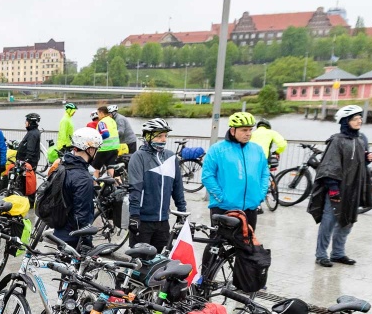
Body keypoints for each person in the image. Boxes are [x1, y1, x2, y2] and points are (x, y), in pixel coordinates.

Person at [308, 105, 372, 267]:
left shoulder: (361, 139)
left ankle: (338, 253)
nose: (359, 120)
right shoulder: (337, 140)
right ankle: (321, 254)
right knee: (328, 221)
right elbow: (330, 165)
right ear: (346, 121)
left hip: (353, 189)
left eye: (360, 118)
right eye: (355, 118)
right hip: (337, 189)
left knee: (348, 221)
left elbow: (357, 163)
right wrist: (333, 189)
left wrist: (367, 158)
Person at [200, 112, 269, 231]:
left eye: (250, 130)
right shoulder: (217, 149)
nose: (248, 134)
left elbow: (264, 174)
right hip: (224, 208)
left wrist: (260, 195)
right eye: (244, 130)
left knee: (247, 245)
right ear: (233, 131)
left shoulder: (257, 149)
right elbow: (207, 176)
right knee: (218, 245)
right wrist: (221, 197)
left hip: (250, 208)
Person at [127, 119, 187, 253]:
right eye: (159, 136)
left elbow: (177, 187)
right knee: (139, 264)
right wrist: (134, 216)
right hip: (143, 221)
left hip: (163, 221)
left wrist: (182, 212)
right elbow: (135, 189)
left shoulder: (171, 157)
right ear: (148, 136)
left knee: (159, 263)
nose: (163, 139)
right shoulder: (138, 157)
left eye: (165, 136)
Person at [53, 128, 104, 249]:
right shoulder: (83, 178)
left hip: (60, 233)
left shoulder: (62, 166)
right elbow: (82, 216)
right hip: (74, 238)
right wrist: (87, 242)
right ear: (90, 149)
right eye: (96, 149)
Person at [92, 106, 120, 178]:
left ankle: (95, 186)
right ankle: (117, 185)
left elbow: (105, 134)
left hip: (104, 149)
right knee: (111, 168)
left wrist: (97, 140)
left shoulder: (102, 122)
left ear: (101, 113)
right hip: (114, 148)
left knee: (95, 169)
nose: (98, 116)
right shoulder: (112, 120)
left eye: (98, 113)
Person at [14, 112, 42, 176]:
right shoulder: (32, 132)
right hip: (28, 163)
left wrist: (26, 161)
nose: (25, 122)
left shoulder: (32, 134)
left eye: (26, 120)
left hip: (28, 164)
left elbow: (30, 149)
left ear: (31, 122)